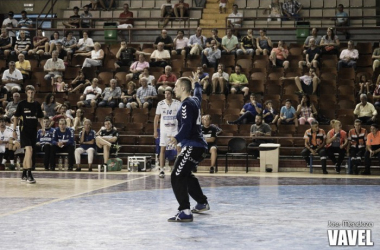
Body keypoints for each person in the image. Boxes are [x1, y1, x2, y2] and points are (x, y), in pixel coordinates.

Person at [167, 75, 209, 222]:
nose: (174, 89)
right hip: (198, 146)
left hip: (193, 145)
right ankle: (201, 202)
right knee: (185, 175)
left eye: (176, 86)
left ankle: (185, 211)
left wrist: (177, 138)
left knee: (176, 176)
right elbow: (199, 94)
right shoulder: (194, 101)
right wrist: (197, 83)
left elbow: (186, 126)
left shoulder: (185, 105)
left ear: (183, 88)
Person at [13, 85, 44, 183]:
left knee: (28, 153)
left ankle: (24, 172)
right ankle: (29, 174)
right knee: (29, 150)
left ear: (34, 92)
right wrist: (14, 130)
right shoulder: (22, 104)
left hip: (33, 130)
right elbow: (16, 117)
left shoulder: (37, 104)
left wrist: (43, 128)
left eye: (32, 92)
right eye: (29, 92)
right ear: (26, 93)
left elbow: (40, 118)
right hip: (24, 130)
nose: (30, 94)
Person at [154, 87, 181, 178]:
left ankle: (178, 169)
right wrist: (155, 131)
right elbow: (156, 118)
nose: (167, 95)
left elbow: (182, 117)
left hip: (175, 130)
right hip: (164, 130)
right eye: (165, 93)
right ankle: (161, 169)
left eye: (168, 93)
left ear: (172, 94)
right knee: (162, 149)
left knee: (178, 149)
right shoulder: (160, 104)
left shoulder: (177, 103)